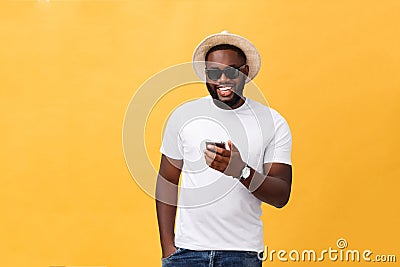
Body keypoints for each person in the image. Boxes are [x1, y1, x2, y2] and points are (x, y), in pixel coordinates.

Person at [156, 30, 292, 267]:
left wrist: (240, 170)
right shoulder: (183, 116)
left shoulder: (272, 121)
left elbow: (281, 195)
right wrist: (168, 248)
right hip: (187, 253)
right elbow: (167, 180)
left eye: (231, 71)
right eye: (213, 72)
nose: (222, 79)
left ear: (245, 72)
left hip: (242, 254)